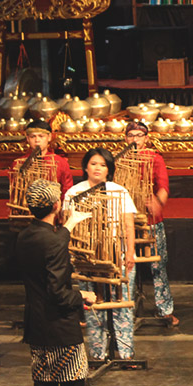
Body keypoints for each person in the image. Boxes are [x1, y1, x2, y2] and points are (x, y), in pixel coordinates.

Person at [16, 178, 96, 386]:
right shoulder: (53, 242)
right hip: (60, 329)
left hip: (37, 326)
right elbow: (59, 294)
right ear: (56, 204)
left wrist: (68, 227)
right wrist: (83, 295)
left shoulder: (24, 236)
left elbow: (50, 242)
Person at [63, 148, 136, 361]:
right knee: (92, 302)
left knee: (120, 303)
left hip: (116, 252)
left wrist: (130, 251)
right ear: (86, 166)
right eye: (94, 163)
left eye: (103, 165)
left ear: (109, 170)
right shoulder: (74, 193)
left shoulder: (119, 191)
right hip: (86, 254)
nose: (98, 168)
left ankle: (125, 353)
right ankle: (97, 354)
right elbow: (68, 224)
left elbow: (128, 225)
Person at [123, 122, 178, 326]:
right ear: (125, 138)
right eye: (131, 135)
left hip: (149, 220)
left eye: (139, 135)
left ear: (146, 138)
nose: (135, 139)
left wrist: (158, 202)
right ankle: (125, 309)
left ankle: (165, 310)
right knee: (126, 265)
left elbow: (163, 187)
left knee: (158, 265)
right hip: (125, 222)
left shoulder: (155, 159)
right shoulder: (120, 160)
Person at [20, 120, 74, 195]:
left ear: (49, 137)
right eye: (33, 137)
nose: (37, 140)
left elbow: (67, 191)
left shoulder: (60, 162)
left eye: (41, 136)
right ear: (27, 138)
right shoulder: (19, 163)